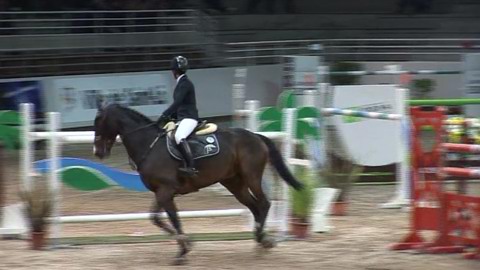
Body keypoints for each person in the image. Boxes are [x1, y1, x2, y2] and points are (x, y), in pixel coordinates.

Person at [157, 56, 199, 177]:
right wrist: (170, 118)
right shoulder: (181, 83)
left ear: (173, 71)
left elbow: (177, 103)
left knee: (179, 136)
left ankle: (191, 166)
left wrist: (164, 114)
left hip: (190, 118)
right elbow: (179, 107)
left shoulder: (185, 83)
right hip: (182, 118)